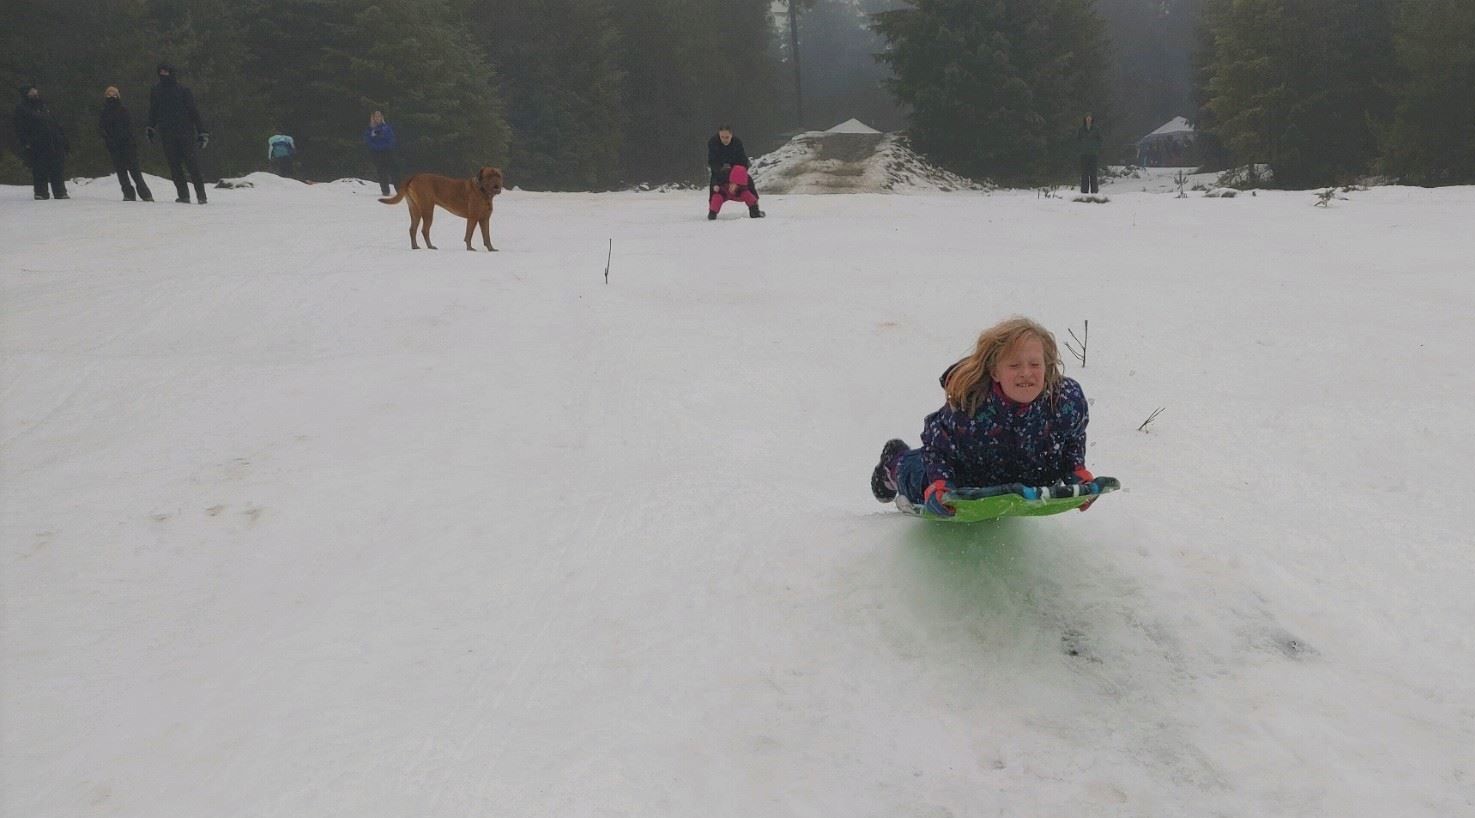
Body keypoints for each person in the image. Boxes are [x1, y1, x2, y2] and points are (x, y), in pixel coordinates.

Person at [869, 317, 1093, 518]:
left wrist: (1076, 471)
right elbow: (937, 443)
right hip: (967, 476)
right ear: (995, 372)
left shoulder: (1065, 401)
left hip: (1032, 475)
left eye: (1035, 364)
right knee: (918, 475)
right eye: (1014, 365)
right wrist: (940, 484)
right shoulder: (973, 403)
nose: (1026, 372)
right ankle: (894, 463)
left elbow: (1073, 438)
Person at [147, 62, 209, 204]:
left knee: (192, 164)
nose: (163, 75)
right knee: (174, 166)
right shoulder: (156, 90)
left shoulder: (183, 90)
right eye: (161, 72)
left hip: (185, 132)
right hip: (167, 133)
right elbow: (153, 111)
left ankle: (201, 195)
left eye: (166, 72)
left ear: (172, 73)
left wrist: (202, 132)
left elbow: (194, 112)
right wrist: (150, 127)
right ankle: (183, 195)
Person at [13, 85, 69, 200]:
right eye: (31, 92)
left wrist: (63, 140)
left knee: (57, 168)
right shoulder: (22, 108)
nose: (35, 93)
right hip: (37, 144)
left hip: (54, 142)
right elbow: (20, 128)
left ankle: (60, 191)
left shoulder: (45, 106)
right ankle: (41, 192)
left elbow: (56, 124)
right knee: (40, 168)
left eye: (35, 91)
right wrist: (26, 143)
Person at [98, 86, 152, 202]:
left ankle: (145, 194)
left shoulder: (123, 110)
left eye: (114, 94)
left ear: (118, 96)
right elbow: (102, 128)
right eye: (109, 95)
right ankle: (128, 194)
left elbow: (129, 128)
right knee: (121, 172)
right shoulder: (104, 112)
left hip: (127, 145)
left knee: (135, 171)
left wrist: (130, 141)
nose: (111, 97)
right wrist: (108, 140)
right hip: (114, 146)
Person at [707, 125, 763, 219]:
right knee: (715, 188)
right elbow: (713, 163)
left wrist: (736, 182)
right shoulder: (713, 142)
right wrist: (716, 183)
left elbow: (743, 162)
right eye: (722, 137)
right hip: (719, 163)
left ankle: (755, 209)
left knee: (746, 182)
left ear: (731, 135)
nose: (724, 139)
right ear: (719, 135)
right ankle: (712, 211)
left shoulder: (737, 142)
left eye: (727, 137)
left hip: (736, 163)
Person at [364, 110, 399, 196]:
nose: (377, 118)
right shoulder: (370, 129)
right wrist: (375, 145)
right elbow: (368, 140)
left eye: (379, 116)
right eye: (375, 116)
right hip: (376, 153)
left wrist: (385, 143)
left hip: (387, 151)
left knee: (393, 170)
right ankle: (385, 190)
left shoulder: (386, 127)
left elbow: (391, 138)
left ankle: (399, 189)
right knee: (381, 171)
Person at [1077, 114, 1103, 194]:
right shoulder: (1081, 129)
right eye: (1087, 118)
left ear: (1092, 119)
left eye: (1090, 118)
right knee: (1084, 174)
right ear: (1085, 119)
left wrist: (1096, 149)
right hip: (1084, 154)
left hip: (1093, 154)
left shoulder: (1096, 129)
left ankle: (1094, 191)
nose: (1088, 119)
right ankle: (1084, 191)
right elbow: (1078, 140)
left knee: (1093, 174)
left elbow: (1100, 140)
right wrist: (1081, 149)